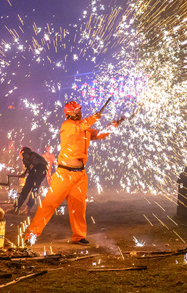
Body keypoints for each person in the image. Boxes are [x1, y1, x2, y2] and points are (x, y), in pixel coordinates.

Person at [23, 101, 122, 245]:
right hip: (64, 174)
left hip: (80, 175)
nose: (79, 112)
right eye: (76, 110)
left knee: (79, 207)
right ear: (69, 113)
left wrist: (114, 125)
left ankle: (79, 236)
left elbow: (100, 134)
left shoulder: (84, 128)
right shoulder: (67, 125)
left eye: (79, 110)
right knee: (49, 204)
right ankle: (31, 234)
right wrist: (94, 117)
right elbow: (81, 125)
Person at [12, 146, 49, 214]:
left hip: (36, 170)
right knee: (35, 190)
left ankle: (16, 207)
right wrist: (24, 173)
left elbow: (31, 165)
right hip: (43, 172)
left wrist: (25, 173)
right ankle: (28, 208)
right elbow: (31, 165)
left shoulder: (25, 154)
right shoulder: (34, 155)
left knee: (26, 189)